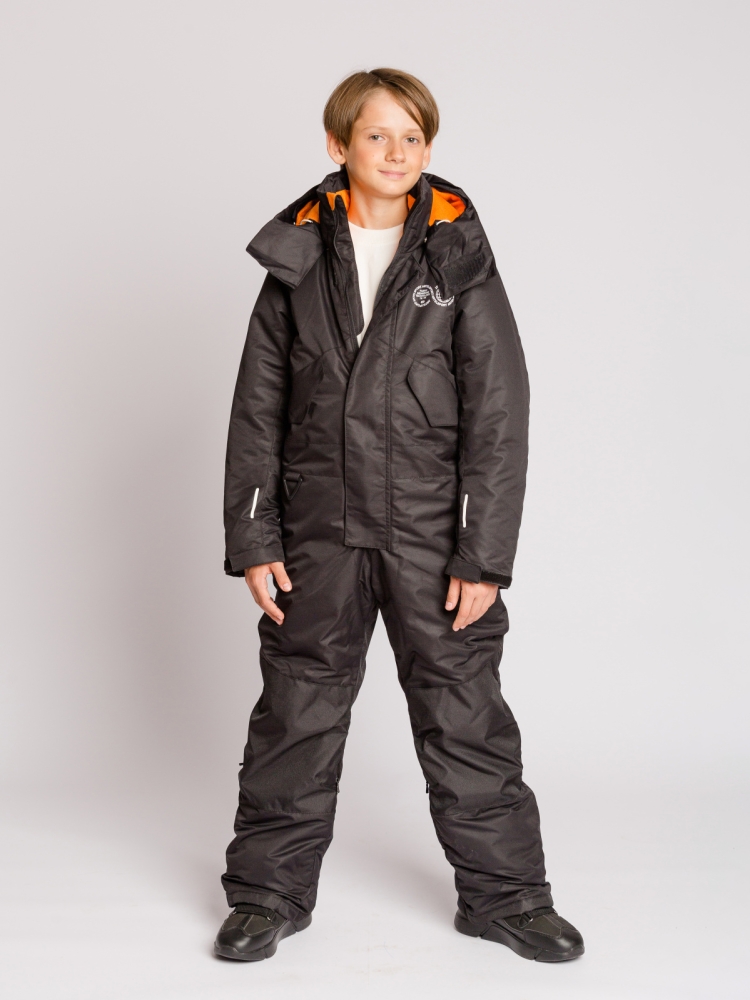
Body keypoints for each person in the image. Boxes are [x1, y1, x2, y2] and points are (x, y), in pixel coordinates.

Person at [214, 68, 584, 964]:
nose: (397, 152)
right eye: (378, 135)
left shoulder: (457, 256)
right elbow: (258, 407)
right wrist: (255, 538)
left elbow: (500, 411)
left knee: (464, 713)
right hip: (317, 532)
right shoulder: (298, 260)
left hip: (430, 536)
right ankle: (267, 894)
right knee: (297, 713)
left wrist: (483, 555)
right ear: (338, 144)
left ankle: (505, 897)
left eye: (413, 137)